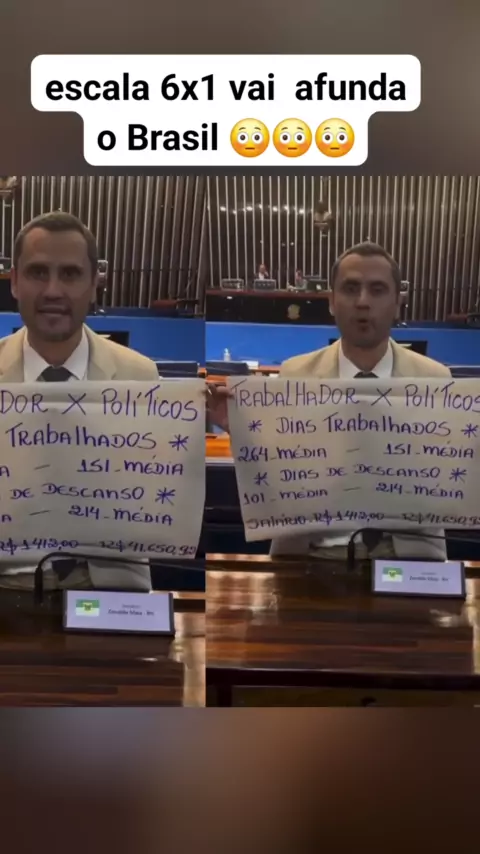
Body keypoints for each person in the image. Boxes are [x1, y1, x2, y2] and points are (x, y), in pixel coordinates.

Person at [208, 241, 451, 561]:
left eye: (377, 290)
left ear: (397, 303)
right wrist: (242, 431)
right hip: (309, 555)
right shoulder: (295, 374)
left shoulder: (436, 379)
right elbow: (280, 472)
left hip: (407, 558)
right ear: (332, 302)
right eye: (351, 289)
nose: (363, 302)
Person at [0, 211, 159, 592]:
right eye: (38, 272)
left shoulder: (141, 376)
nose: (53, 290)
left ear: (94, 285)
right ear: (15, 282)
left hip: (108, 586)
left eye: (70, 274)